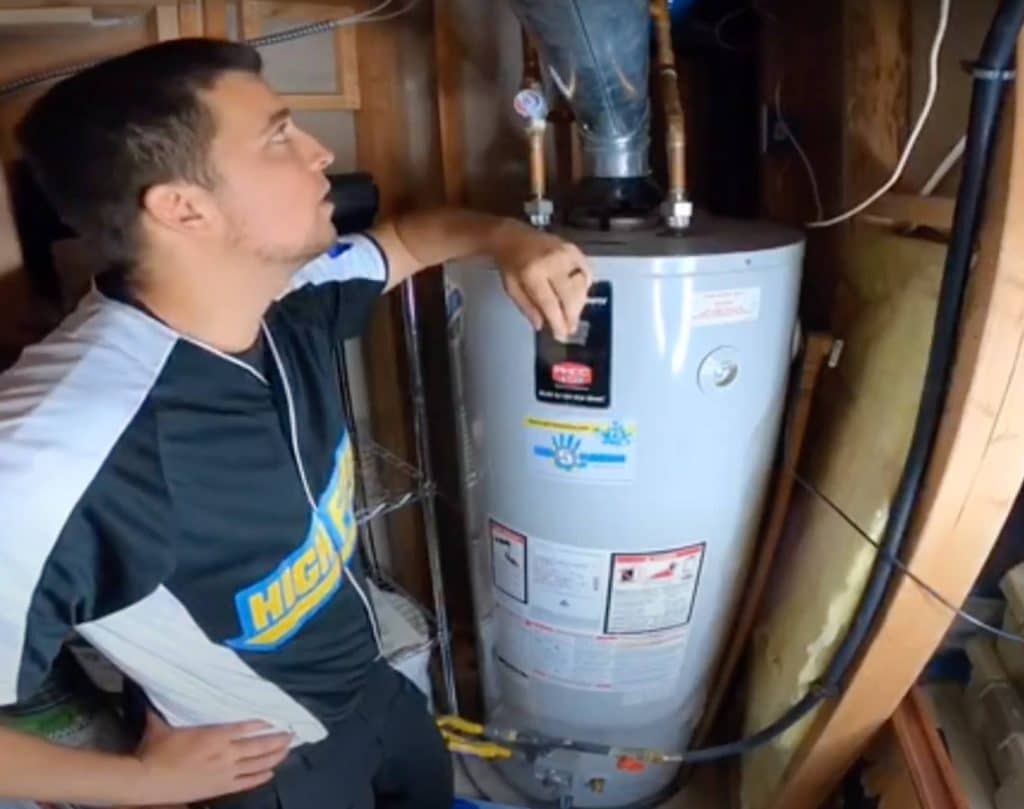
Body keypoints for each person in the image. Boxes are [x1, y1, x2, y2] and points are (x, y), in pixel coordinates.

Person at [0, 38, 591, 809]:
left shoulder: (288, 291)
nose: (321, 153)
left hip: (374, 686)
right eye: (279, 136)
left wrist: (514, 241)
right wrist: (138, 782)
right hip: (267, 763)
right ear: (183, 206)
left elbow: (412, 240)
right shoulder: (58, 452)